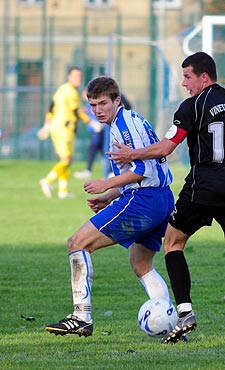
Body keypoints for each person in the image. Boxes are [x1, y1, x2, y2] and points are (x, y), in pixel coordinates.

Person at [108, 52, 225, 347]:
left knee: (173, 242)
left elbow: (165, 148)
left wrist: (131, 154)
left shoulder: (194, 105)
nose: (184, 83)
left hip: (204, 188)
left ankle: (185, 313)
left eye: (187, 76)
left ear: (204, 77)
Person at [45, 76, 174, 337]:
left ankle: (81, 317)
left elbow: (142, 170)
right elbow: (144, 173)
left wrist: (107, 184)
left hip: (144, 200)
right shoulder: (125, 121)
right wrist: (112, 194)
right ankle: (169, 322)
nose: (98, 110)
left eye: (103, 103)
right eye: (93, 105)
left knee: (77, 243)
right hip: (160, 198)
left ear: (117, 100)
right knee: (141, 263)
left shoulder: (125, 125)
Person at [38, 67, 99, 199]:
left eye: (80, 76)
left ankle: (63, 190)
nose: (79, 79)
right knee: (66, 160)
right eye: (76, 76)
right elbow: (76, 111)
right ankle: (48, 180)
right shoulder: (71, 92)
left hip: (63, 128)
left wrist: (47, 124)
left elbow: (51, 107)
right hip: (63, 128)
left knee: (67, 160)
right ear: (69, 77)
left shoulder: (62, 89)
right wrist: (91, 123)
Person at [74, 93, 132, 180]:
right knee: (94, 144)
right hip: (102, 127)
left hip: (112, 127)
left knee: (111, 148)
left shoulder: (117, 96)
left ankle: (110, 172)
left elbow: (127, 107)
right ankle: (88, 170)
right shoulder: (97, 98)